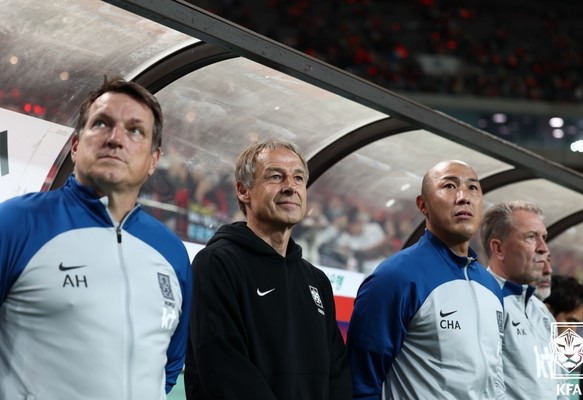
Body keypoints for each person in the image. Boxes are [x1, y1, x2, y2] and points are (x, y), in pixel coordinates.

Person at [0, 77, 191, 399]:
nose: (116, 139)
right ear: (76, 146)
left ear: (153, 160)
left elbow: (168, 366)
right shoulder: (18, 223)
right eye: (102, 124)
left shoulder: (172, 253)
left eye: (135, 130)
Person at [184, 138, 352, 399]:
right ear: (243, 191)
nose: (290, 187)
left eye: (298, 178)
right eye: (276, 177)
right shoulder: (216, 264)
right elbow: (223, 367)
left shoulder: (316, 281)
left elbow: (337, 372)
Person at [346, 160, 505, 399]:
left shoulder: (491, 286)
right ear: (423, 205)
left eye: (473, 188)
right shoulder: (395, 277)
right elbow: (360, 383)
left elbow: (494, 376)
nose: (464, 197)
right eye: (449, 186)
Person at [481, 200, 556, 400]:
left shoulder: (542, 313)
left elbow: (560, 384)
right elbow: (483, 387)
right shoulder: (481, 304)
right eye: (531, 237)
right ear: (498, 249)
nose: (544, 248)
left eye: (544, 238)